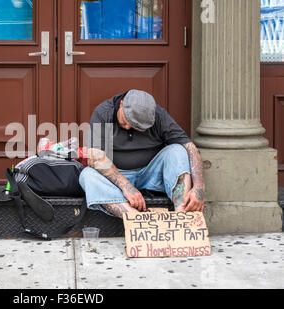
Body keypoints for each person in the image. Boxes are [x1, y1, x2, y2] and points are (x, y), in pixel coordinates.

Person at [79, 90, 205, 218]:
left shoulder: (158, 115)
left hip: (152, 175)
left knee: (178, 150)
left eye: (135, 126)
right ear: (121, 104)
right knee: (87, 175)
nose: (128, 127)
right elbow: (95, 158)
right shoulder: (103, 113)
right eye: (126, 120)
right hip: (116, 178)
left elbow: (191, 148)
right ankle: (135, 219)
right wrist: (126, 186)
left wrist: (199, 188)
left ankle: (182, 216)